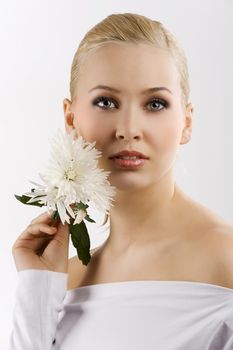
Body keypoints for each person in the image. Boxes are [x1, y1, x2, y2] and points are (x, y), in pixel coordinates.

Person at [9, 12, 233, 350]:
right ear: (71, 118)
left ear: (187, 122)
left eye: (155, 103)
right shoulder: (60, 280)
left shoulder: (225, 260)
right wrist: (37, 289)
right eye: (106, 102)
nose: (128, 128)